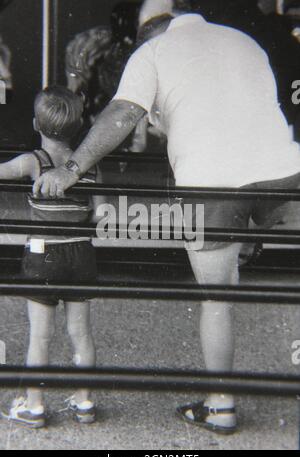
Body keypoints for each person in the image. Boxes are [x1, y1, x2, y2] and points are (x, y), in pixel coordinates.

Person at [33, 11, 300, 434]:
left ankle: (221, 406)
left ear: (147, 35)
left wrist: (71, 168)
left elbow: (123, 112)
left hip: (212, 179)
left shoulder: (152, 51)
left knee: (217, 299)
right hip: (286, 169)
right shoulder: (240, 38)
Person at [0, 86, 98, 428]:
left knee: (40, 336)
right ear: (80, 125)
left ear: (35, 125)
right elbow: (100, 212)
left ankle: (35, 405)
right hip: (82, 253)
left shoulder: (33, 162)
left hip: (42, 255)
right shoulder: (91, 165)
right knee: (81, 334)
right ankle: (85, 401)